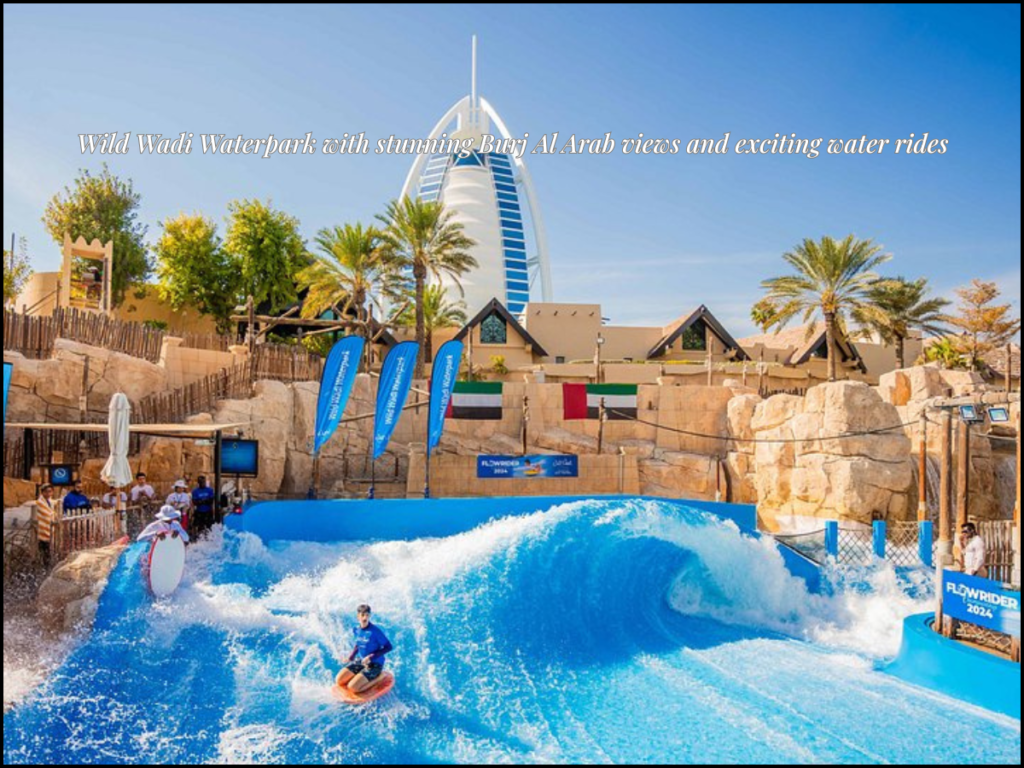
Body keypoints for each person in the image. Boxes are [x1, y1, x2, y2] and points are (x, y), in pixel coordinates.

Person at [336, 605, 393, 694]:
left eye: (367, 615)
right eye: (362, 615)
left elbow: (388, 647)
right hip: (362, 661)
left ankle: (379, 677)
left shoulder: (375, 631)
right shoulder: (356, 629)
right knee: (339, 680)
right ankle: (359, 677)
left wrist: (371, 657)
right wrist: (350, 657)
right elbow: (358, 644)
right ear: (358, 616)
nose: (365, 617)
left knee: (353, 688)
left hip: (375, 665)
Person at [35, 484, 58, 568]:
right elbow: (46, 514)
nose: (48, 494)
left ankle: (47, 566)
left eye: (50, 491)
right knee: (43, 551)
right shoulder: (39, 502)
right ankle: (43, 568)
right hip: (42, 530)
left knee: (49, 551)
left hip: (50, 530)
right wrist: (52, 515)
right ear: (42, 492)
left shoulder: (50, 501)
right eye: (46, 492)